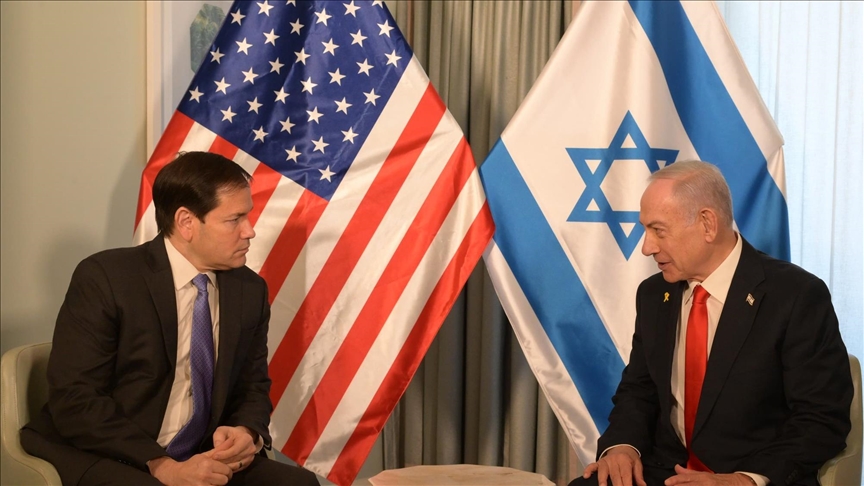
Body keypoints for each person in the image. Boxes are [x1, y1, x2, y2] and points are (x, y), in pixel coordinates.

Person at [22, 152, 319, 486]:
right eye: (234, 219)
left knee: (299, 484)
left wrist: (246, 430)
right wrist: (160, 463)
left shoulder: (249, 290)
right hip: (110, 451)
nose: (249, 231)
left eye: (247, 216)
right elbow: (75, 399)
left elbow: (253, 384)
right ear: (186, 222)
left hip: (200, 453)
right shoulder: (106, 279)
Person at [571, 161, 853, 486]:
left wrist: (745, 479)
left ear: (707, 224)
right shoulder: (653, 294)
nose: (647, 247)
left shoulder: (795, 295)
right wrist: (622, 445)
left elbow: (821, 418)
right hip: (665, 472)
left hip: (746, 475)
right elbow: (639, 390)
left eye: (658, 231)